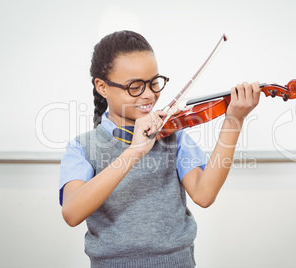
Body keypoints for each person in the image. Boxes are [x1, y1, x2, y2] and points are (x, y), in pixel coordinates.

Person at [59, 30, 260, 267]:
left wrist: (234, 120)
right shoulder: (82, 147)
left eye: (154, 82)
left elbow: (204, 195)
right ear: (102, 87)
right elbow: (72, 213)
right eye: (135, 86)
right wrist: (133, 152)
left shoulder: (174, 137)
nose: (149, 95)